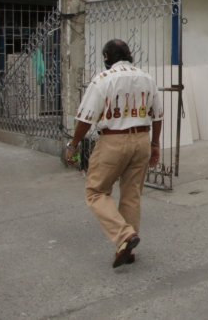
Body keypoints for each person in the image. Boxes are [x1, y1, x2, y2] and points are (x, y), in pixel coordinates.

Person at [64, 39, 162, 268]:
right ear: (129, 55)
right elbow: (157, 115)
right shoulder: (147, 79)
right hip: (141, 139)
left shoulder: (103, 79)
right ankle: (126, 248)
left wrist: (73, 145)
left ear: (107, 57)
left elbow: (85, 118)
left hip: (113, 140)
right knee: (132, 194)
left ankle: (124, 235)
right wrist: (155, 145)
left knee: (96, 191)